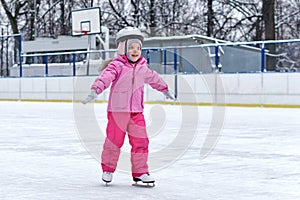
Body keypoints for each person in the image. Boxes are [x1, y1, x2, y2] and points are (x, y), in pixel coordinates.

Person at [82, 27, 174, 184]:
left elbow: (154, 79)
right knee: (114, 141)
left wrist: (165, 89)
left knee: (141, 142)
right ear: (123, 48)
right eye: (131, 47)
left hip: (137, 112)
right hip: (117, 111)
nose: (135, 51)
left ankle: (140, 172)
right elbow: (105, 77)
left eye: (138, 48)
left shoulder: (142, 68)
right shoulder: (117, 65)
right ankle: (108, 170)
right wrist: (95, 89)